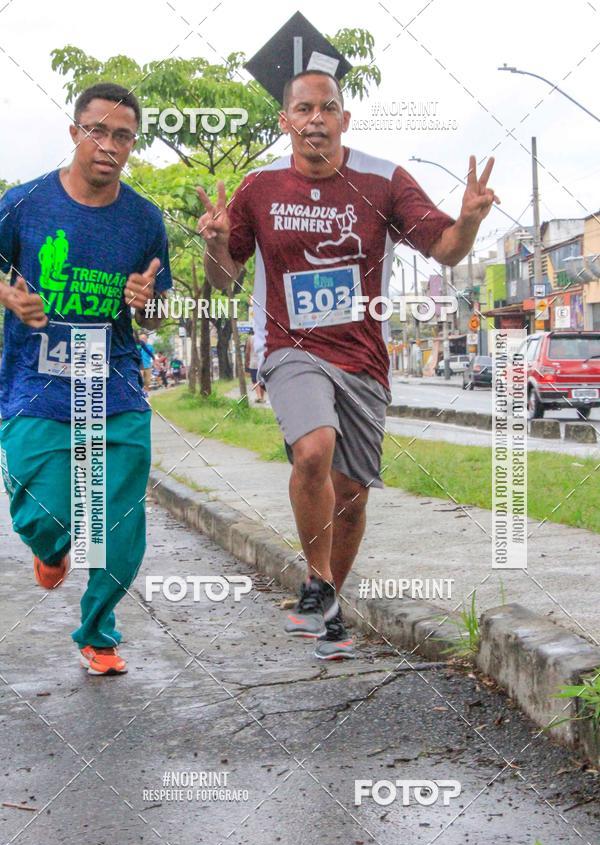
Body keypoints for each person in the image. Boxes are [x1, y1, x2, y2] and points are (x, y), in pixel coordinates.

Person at [197, 69, 497, 661]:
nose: (316, 118)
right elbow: (225, 279)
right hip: (290, 347)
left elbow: (444, 248)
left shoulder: (383, 181)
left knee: (353, 494)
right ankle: (317, 584)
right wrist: (215, 242)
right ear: (286, 120)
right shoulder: (258, 188)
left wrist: (468, 220)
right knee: (313, 450)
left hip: (362, 354)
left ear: (344, 119)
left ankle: (327, 599)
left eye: (328, 108)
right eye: (303, 108)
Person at [0, 82, 171, 675]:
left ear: (132, 144)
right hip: (34, 386)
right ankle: (51, 548)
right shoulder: (23, 204)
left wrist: (148, 301)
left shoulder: (144, 220)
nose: (109, 145)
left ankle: (98, 633)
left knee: (116, 526)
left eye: (123, 136)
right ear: (75, 132)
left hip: (114, 383)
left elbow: (157, 312)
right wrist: (7, 295)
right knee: (45, 517)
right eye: (97, 131)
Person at [244, 328, 266, 403]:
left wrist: (247, 361)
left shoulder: (250, 339)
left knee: (255, 380)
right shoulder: (265, 338)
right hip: (263, 362)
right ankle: (262, 397)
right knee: (262, 380)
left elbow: (247, 351)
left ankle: (259, 396)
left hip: (253, 363)